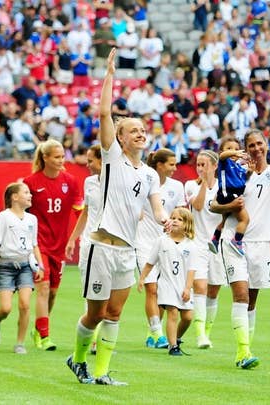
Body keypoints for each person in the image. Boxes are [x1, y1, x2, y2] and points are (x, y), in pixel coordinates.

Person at [66, 49, 173, 386]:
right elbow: (102, 113)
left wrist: (165, 219)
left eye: (143, 129)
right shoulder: (112, 158)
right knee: (95, 313)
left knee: (114, 314)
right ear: (121, 138)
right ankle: (79, 358)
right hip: (101, 246)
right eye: (133, 130)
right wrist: (110, 74)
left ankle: (101, 373)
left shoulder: (151, 175)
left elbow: (156, 210)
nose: (140, 133)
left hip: (127, 251)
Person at [210, 105, 270, 369]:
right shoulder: (235, 171)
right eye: (251, 144)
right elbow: (213, 205)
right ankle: (242, 352)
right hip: (234, 240)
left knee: (252, 298)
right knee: (241, 295)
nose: (256, 148)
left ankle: (246, 347)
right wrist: (229, 208)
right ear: (245, 148)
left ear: (266, 146)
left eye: (260, 144)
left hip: (260, 243)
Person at [23, 139, 83, 351]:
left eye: (62, 156)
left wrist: (77, 236)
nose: (61, 161)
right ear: (45, 158)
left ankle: (39, 328)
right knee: (44, 287)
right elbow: (20, 214)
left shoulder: (71, 181)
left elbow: (79, 211)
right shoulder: (30, 183)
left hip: (60, 245)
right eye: (56, 157)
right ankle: (46, 336)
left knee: (53, 292)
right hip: (38, 245)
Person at [0, 183, 45, 354]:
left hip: (25, 266)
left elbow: (34, 245)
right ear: (14, 197)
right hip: (6, 267)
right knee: (6, 308)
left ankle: (20, 343)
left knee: (25, 305)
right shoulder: (4, 217)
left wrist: (40, 266)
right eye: (26, 192)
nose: (30, 195)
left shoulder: (32, 219)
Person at [135, 149, 186, 349]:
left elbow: (181, 212)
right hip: (143, 242)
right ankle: (157, 334)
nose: (175, 168)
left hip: (166, 243)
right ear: (159, 165)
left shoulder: (177, 186)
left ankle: (151, 333)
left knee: (163, 290)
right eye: (171, 164)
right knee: (152, 289)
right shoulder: (143, 179)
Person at [138, 207, 198, 356]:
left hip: (183, 286)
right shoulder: (162, 241)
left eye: (180, 219)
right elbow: (150, 262)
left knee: (188, 317)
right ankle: (173, 347)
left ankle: (176, 338)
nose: (175, 221)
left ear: (187, 224)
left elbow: (191, 270)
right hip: (167, 285)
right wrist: (142, 278)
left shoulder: (190, 245)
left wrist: (187, 288)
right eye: (173, 218)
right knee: (172, 313)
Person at [184, 150, 226, 349]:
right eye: (198, 165)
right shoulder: (191, 185)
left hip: (217, 244)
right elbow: (199, 206)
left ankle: (207, 332)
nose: (200, 168)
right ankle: (200, 334)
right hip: (196, 243)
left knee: (213, 290)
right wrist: (203, 182)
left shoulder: (223, 186)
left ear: (215, 166)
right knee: (199, 287)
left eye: (204, 165)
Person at [65, 144, 103, 353]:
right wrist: (73, 239)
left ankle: (101, 340)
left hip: (112, 246)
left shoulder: (117, 183)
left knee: (110, 300)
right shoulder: (89, 182)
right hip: (90, 244)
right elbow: (86, 212)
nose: (87, 165)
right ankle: (94, 341)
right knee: (92, 293)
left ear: (103, 160)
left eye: (91, 161)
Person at [208, 136, 250, 256]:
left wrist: (250, 170)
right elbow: (222, 156)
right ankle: (237, 240)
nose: (234, 151)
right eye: (229, 148)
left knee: (224, 219)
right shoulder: (224, 162)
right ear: (222, 151)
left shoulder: (237, 167)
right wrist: (235, 152)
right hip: (229, 194)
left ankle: (215, 239)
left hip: (229, 194)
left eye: (237, 149)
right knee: (244, 219)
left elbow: (242, 177)